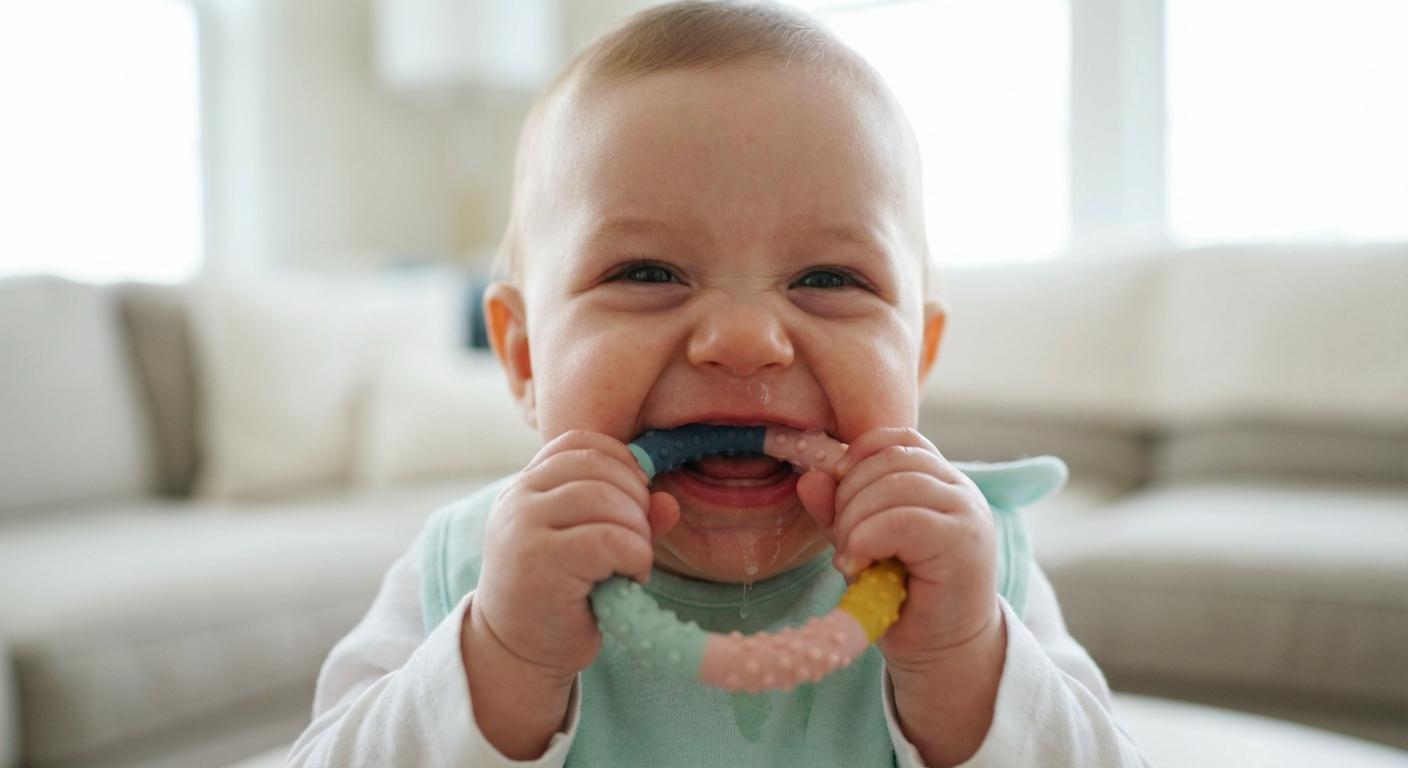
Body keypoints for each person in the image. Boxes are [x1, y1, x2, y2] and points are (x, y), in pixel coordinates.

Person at [288, 2, 1149, 765]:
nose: (745, 342)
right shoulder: (471, 568)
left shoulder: (967, 569)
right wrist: (498, 664)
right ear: (522, 358)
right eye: (648, 271)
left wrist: (966, 669)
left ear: (917, 359)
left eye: (829, 279)